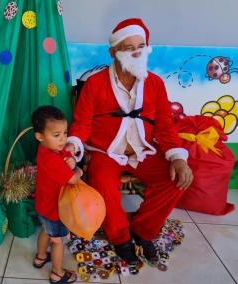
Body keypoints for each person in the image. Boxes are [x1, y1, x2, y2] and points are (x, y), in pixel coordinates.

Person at [66, 18, 193, 266]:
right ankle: (121, 237)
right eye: (128, 47)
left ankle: (142, 231)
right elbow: (82, 123)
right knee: (102, 182)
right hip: (105, 151)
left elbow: (165, 127)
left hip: (142, 151)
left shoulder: (155, 84)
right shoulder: (95, 83)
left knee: (177, 178)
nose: (136, 51)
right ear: (113, 52)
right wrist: (73, 144)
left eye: (141, 45)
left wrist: (178, 158)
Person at [31, 105, 83, 284]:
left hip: (44, 205)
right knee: (58, 240)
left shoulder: (50, 149)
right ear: (40, 136)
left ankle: (40, 257)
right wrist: (78, 171)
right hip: (55, 209)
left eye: (65, 133)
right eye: (56, 135)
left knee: (45, 231)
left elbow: (66, 153)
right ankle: (57, 273)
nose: (62, 140)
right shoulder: (51, 159)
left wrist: (71, 158)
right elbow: (72, 180)